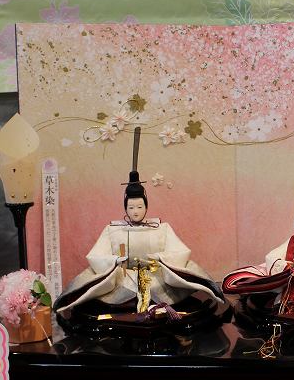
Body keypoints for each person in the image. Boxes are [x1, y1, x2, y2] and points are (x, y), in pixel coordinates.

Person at [54, 128, 223, 326]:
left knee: (165, 299)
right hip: (122, 279)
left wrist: (161, 258)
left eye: (140, 206)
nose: (135, 211)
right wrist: (114, 261)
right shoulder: (113, 230)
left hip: (157, 278)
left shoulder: (161, 228)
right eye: (131, 207)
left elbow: (180, 252)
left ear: (146, 206)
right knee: (115, 304)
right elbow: (96, 255)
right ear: (125, 207)